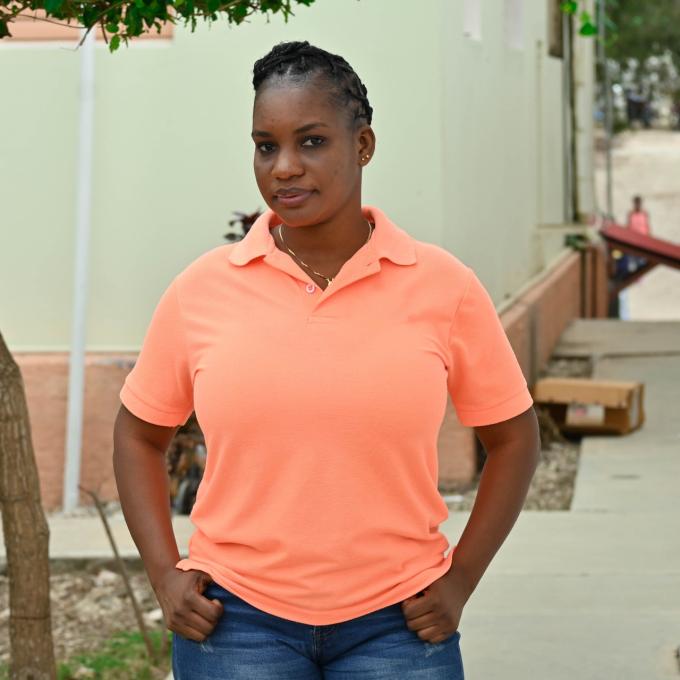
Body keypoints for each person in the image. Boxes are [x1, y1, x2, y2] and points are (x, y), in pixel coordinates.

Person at [113, 40, 540, 679]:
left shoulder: (442, 285)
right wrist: (162, 574)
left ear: (362, 145)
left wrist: (462, 579)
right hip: (235, 625)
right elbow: (137, 435)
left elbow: (514, 438)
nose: (284, 167)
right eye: (266, 145)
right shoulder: (202, 289)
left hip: (399, 624)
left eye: (311, 141)